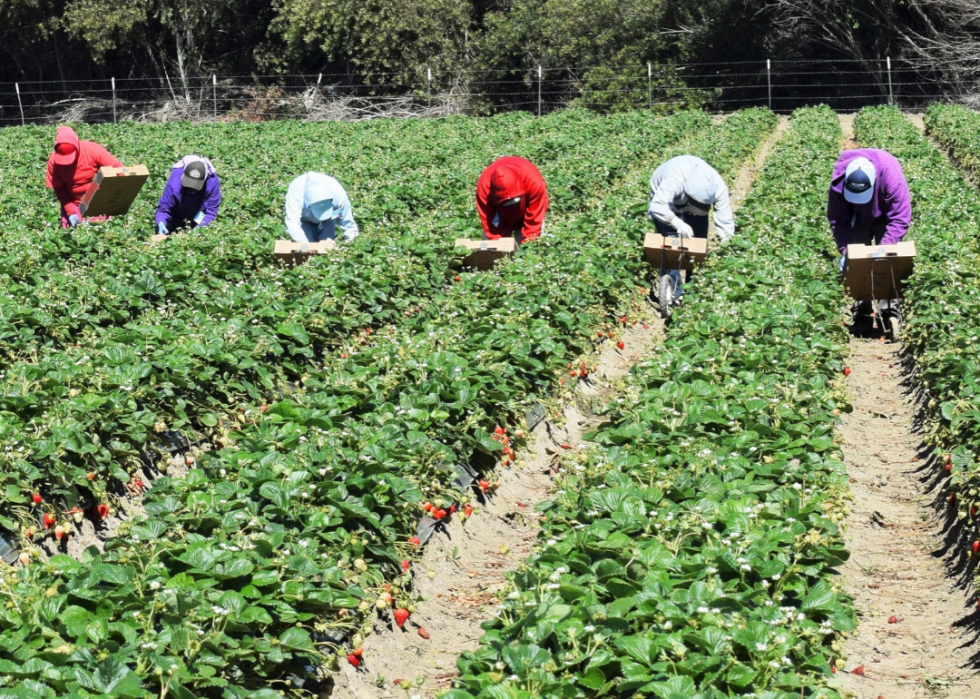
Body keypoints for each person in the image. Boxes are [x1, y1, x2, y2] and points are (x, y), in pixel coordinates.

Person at [648, 155, 734, 298]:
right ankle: (673, 292)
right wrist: (676, 222)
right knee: (670, 246)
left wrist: (728, 243)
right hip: (665, 203)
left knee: (698, 246)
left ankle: (693, 291)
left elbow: (725, 221)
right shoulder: (675, 179)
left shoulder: (718, 187)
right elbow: (657, 206)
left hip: (685, 199)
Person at [827, 148, 911, 270]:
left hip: (884, 215)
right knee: (857, 264)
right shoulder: (839, 183)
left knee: (886, 264)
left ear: (875, 179)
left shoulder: (891, 177)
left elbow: (899, 218)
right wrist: (846, 250)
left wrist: (883, 250)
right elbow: (838, 220)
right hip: (857, 217)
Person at [45, 126, 123, 228]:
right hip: (72, 202)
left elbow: (118, 169)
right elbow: (59, 188)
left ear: (77, 148)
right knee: (72, 235)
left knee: (99, 232)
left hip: (98, 200)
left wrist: (115, 198)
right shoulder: (53, 161)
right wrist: (70, 210)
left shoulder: (92, 150)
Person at [476, 156, 548, 245]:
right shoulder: (485, 188)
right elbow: (490, 223)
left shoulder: (533, 181)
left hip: (526, 210)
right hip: (500, 215)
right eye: (506, 203)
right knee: (491, 248)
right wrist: (498, 246)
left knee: (531, 244)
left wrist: (528, 245)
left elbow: (535, 219)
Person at [155, 156, 222, 235]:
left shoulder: (212, 182)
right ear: (183, 177)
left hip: (199, 217)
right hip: (176, 217)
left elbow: (210, 212)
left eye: (195, 188)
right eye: (188, 187)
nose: (191, 190)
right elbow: (164, 209)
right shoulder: (174, 184)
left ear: (204, 181)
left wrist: (199, 229)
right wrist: (161, 222)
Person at [284, 172, 358, 243]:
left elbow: (347, 223)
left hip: (330, 215)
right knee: (307, 245)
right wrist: (305, 246)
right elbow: (293, 223)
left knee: (326, 246)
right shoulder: (296, 195)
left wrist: (351, 244)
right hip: (304, 217)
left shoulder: (338, 195)